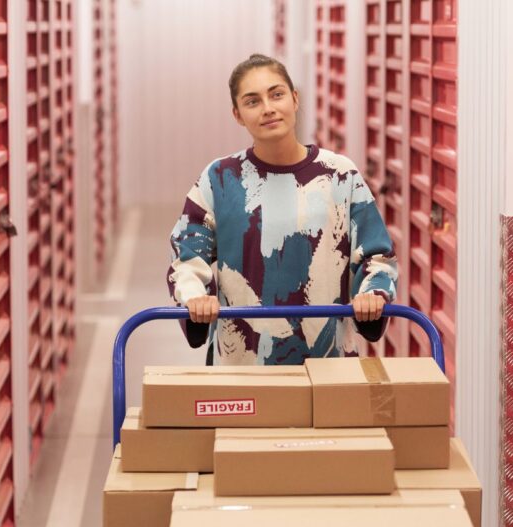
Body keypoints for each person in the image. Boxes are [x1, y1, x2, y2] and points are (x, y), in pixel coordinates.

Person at [167, 54, 397, 365]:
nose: (268, 108)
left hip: (328, 363)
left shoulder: (339, 174)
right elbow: (186, 258)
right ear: (237, 114)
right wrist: (195, 298)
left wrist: (373, 294)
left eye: (276, 94)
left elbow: (377, 256)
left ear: (294, 98)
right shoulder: (219, 179)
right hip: (241, 365)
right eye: (252, 101)